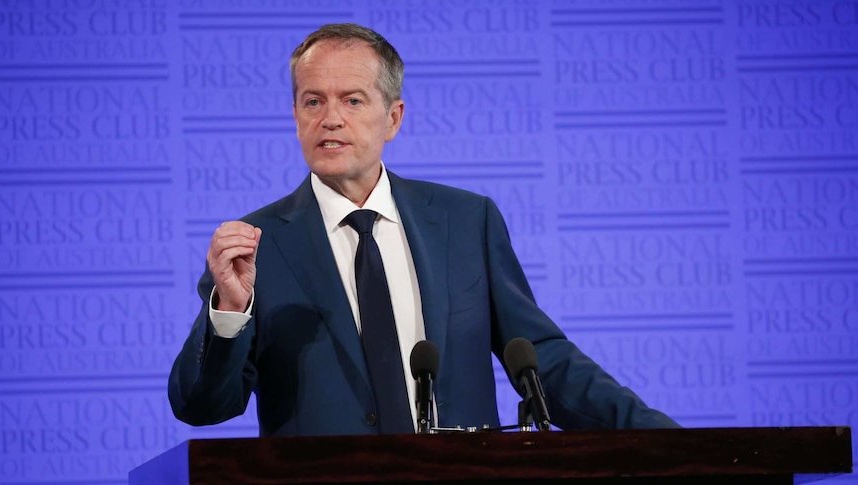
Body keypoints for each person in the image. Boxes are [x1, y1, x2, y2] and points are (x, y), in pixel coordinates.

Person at [168, 23, 679, 436]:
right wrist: (229, 313)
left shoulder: (466, 221)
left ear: (393, 118)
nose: (330, 119)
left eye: (352, 100)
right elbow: (201, 405)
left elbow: (544, 361)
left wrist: (669, 443)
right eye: (312, 101)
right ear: (296, 114)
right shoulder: (257, 245)